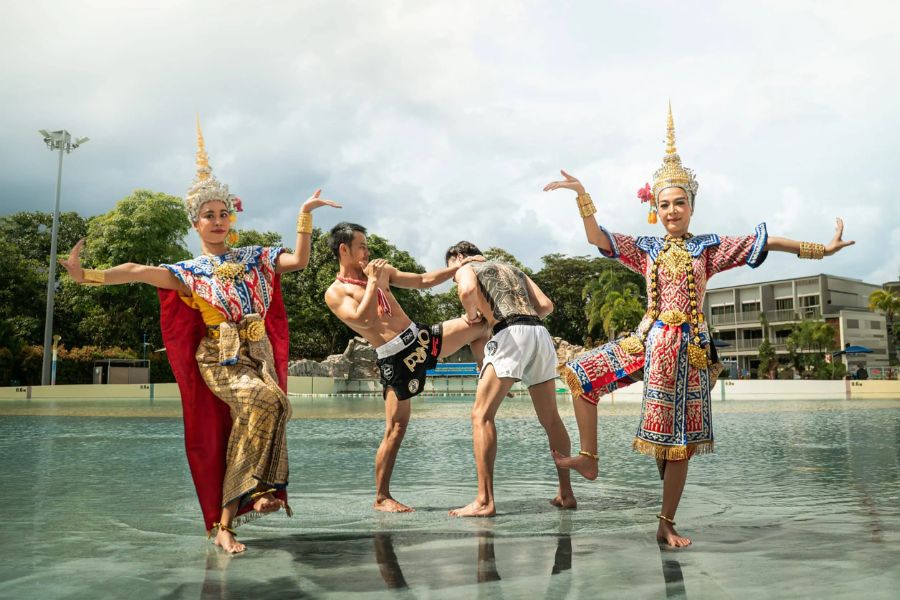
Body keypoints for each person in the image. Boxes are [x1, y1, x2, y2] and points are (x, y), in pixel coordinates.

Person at [544, 103, 854, 547]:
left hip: (686, 350)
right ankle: (590, 458)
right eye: (665, 204)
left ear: (692, 205)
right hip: (648, 339)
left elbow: (763, 241)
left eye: (680, 203)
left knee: (676, 441)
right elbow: (599, 238)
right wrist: (582, 195)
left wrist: (820, 251)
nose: (672, 211)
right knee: (581, 375)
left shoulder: (708, 248)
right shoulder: (647, 247)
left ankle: (666, 522)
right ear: (655, 207)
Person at [59, 119, 340, 553]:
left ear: (232, 218)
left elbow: (300, 261)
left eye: (223, 214)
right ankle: (249, 499)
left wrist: (303, 214)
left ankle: (236, 514)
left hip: (258, 352)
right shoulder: (188, 273)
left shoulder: (254, 258)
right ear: (196, 223)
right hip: (220, 358)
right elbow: (136, 272)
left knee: (273, 407)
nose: (217, 221)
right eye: (208, 215)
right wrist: (86, 275)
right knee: (266, 402)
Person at [324, 223, 490, 513]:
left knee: (480, 325)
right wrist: (374, 282)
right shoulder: (336, 292)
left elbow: (424, 280)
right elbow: (362, 321)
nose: (367, 251)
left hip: (420, 338)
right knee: (396, 428)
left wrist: (460, 266)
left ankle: (485, 374)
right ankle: (381, 497)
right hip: (395, 357)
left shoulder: (380, 271)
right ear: (344, 249)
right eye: (362, 245)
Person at [444, 241, 576, 517]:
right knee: (551, 419)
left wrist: (472, 316)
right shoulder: (513, 268)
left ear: (458, 257)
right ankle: (566, 493)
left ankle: (484, 501)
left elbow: (467, 290)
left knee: (481, 416)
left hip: (509, 332)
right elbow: (546, 305)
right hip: (539, 333)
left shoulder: (465, 267)